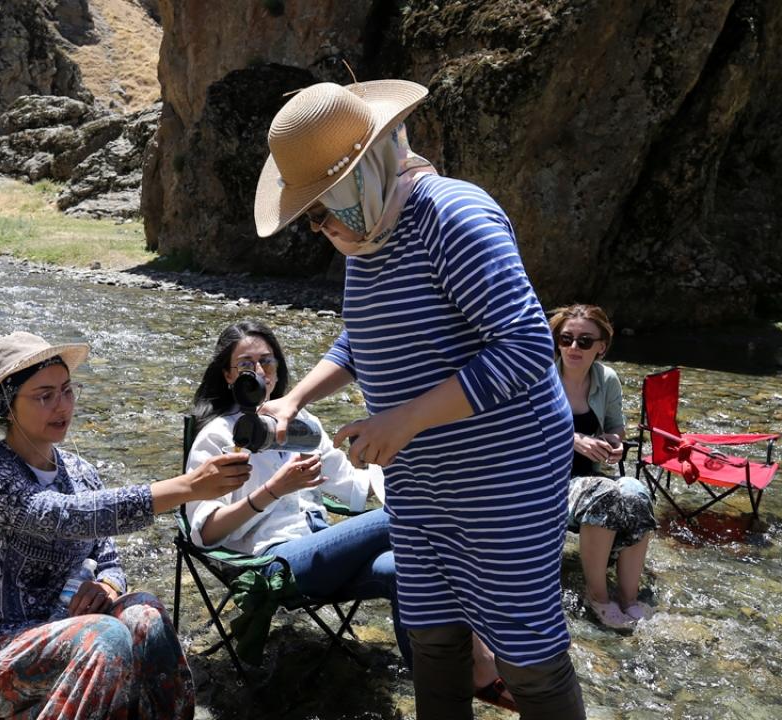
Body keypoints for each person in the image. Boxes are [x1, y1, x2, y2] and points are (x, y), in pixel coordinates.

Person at [254, 80, 585, 719]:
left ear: (362, 173)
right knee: (433, 641)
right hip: (419, 478)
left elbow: (522, 347)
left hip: (502, 475)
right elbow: (363, 337)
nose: (318, 228)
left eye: (321, 210)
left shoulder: (453, 216)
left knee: (527, 657)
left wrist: (403, 419)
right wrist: (293, 398)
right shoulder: (366, 234)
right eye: (309, 217)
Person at [0, 331, 252, 719]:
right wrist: (187, 487)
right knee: (105, 635)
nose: (61, 405)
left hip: (64, 632)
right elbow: (59, 516)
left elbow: (108, 558)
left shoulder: (82, 472)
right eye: (44, 395)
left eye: (67, 390)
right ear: (7, 405)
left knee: (147, 614)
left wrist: (106, 585)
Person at [184, 320, 410, 664]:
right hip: (269, 562)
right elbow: (206, 532)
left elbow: (353, 487)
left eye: (267, 361)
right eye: (246, 364)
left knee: (404, 568)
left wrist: (380, 452)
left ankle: (433, 685)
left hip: (321, 545)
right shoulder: (218, 436)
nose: (259, 371)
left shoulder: (302, 422)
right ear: (229, 376)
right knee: (408, 514)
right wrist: (274, 490)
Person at [549, 304, 656, 631]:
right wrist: (574, 440)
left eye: (584, 341)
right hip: (544, 483)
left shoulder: (606, 379)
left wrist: (613, 443)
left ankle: (628, 597)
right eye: (566, 339)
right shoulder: (541, 375)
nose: (572, 348)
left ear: (601, 347)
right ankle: (597, 595)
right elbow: (520, 431)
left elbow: (616, 428)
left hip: (588, 477)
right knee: (603, 492)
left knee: (637, 492)